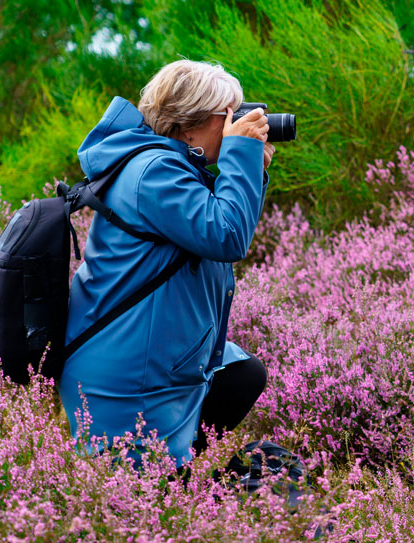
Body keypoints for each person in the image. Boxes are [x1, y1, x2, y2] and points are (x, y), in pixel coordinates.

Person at [58, 60, 274, 467]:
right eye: (228, 116)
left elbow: (221, 220)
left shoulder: (169, 167)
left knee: (243, 374)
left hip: (151, 351)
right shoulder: (153, 171)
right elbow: (226, 234)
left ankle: (184, 472)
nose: (237, 125)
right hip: (127, 373)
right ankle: (176, 482)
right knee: (145, 501)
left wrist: (250, 166)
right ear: (189, 126)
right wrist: (240, 154)